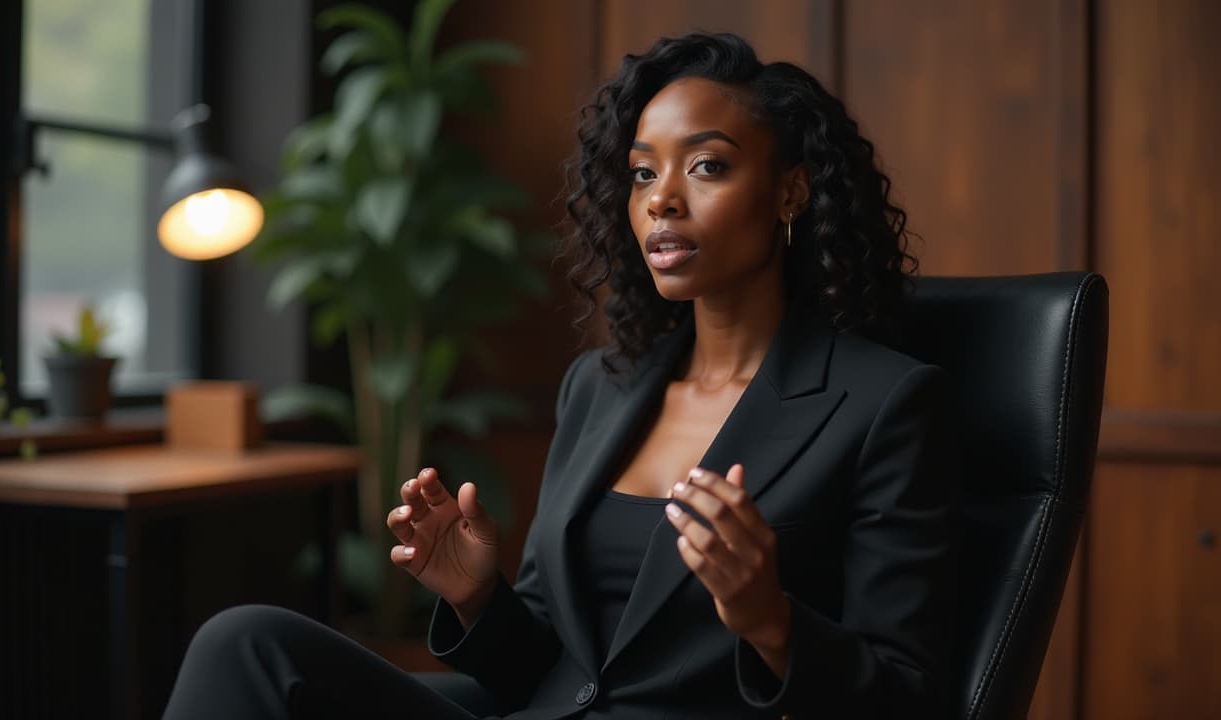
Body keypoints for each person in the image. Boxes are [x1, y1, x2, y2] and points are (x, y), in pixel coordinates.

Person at [163, 32, 954, 720]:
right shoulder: (601, 387)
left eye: (707, 166)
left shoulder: (880, 403)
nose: (663, 203)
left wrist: (770, 621)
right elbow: (546, 677)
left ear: (790, 191)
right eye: (643, 175)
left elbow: (908, 701)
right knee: (248, 645)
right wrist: (477, 596)